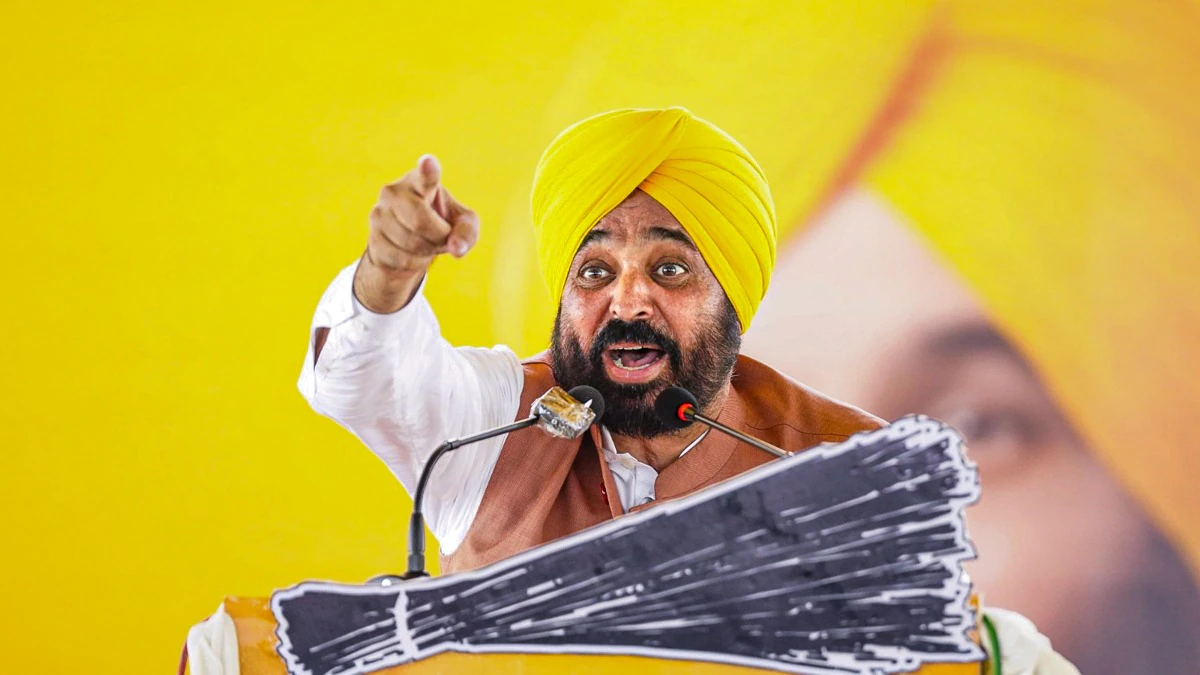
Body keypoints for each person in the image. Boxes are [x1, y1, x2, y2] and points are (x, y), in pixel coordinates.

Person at [298, 107, 1077, 674]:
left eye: (668, 269)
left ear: (732, 301)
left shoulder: (841, 467)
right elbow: (366, 377)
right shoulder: (494, 425)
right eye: (595, 271)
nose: (628, 301)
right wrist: (388, 275)